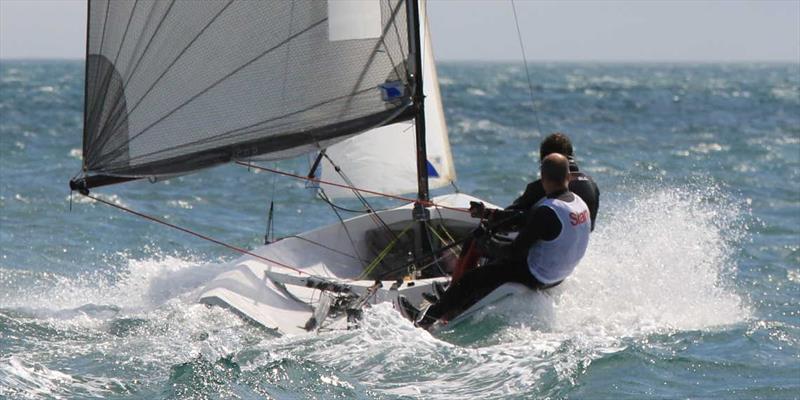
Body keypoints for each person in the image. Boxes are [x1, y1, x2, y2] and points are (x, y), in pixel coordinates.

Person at [398, 153, 592, 329]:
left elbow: (513, 252)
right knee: (493, 264)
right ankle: (458, 302)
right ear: (568, 177)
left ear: (543, 179)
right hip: (559, 274)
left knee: (472, 278)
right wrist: (487, 214)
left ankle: (424, 321)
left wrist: (485, 245)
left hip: (537, 275)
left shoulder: (547, 211)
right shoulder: (577, 203)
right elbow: (524, 219)